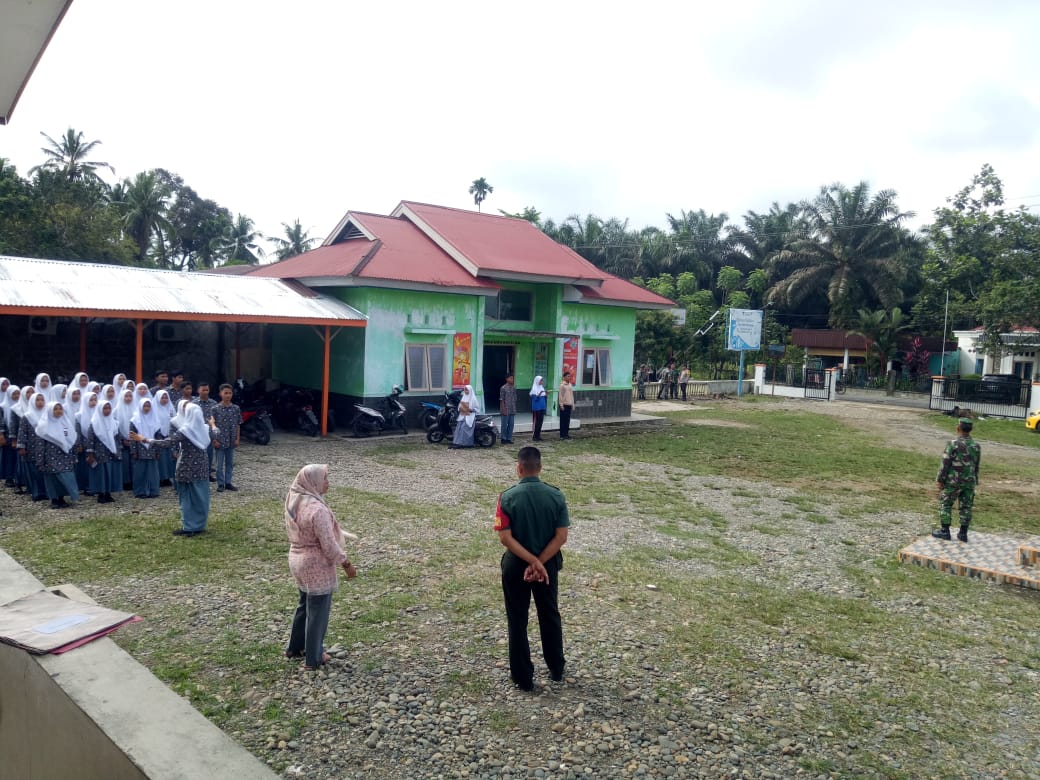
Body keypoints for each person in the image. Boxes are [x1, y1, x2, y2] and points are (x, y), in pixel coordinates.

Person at [493, 446, 570, 691]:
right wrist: (539, 562)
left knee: (517, 619)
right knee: (549, 614)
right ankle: (556, 668)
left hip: (516, 566)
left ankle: (523, 677)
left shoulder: (506, 497)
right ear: (540, 468)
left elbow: (505, 538)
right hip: (548, 566)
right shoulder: (556, 496)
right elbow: (561, 536)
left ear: (519, 468)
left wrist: (529, 561)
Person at [283, 464, 357, 671]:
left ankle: (294, 648)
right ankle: (314, 657)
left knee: (304, 605)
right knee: (318, 612)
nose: (328, 483)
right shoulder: (317, 510)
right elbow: (329, 545)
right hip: (315, 564)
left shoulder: (294, 498)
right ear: (313, 482)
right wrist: (346, 564)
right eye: (325, 478)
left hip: (296, 559)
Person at [129, 405, 219, 536]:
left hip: (186, 467)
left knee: (187, 497)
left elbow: (167, 443)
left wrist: (144, 439)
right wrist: (213, 424)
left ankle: (189, 526)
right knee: (201, 496)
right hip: (202, 466)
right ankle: (199, 524)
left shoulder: (186, 430)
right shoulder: (204, 429)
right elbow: (216, 433)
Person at [932, 417, 982, 543]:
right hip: (969, 482)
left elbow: (945, 463)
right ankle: (963, 533)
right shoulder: (976, 446)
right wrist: (975, 479)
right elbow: (976, 465)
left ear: (958, 428)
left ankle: (945, 531)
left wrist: (940, 480)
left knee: (946, 503)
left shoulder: (953, 444)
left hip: (953, 481)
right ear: (971, 430)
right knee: (966, 506)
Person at [36, 401, 80, 509]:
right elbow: (40, 445)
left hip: (65, 455)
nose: (58, 411)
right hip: (50, 457)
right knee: (52, 478)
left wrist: (74, 456)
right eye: (55, 409)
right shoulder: (43, 426)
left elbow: (71, 440)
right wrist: (40, 461)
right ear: (50, 411)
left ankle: (62, 498)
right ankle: (54, 500)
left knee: (65, 476)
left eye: (60, 408)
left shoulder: (66, 423)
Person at [85, 399, 122, 504]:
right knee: (100, 474)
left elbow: (117, 438)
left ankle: (108, 493)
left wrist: (118, 450)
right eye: (105, 408)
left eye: (109, 408)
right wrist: (90, 454)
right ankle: (101, 494)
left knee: (109, 473)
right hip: (99, 453)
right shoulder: (94, 423)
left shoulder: (114, 422)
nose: (107, 410)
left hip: (110, 453)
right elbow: (90, 439)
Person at [129, 397, 162, 499]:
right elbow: (132, 436)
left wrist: (158, 450)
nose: (147, 408)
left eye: (148, 406)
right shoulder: (134, 420)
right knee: (140, 471)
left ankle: (154, 490)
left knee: (153, 471)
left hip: (152, 448)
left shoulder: (155, 420)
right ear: (140, 407)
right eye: (145, 406)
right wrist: (134, 451)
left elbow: (158, 437)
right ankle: (140, 491)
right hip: (140, 449)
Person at [211, 383, 242, 491]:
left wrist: (237, 438)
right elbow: (212, 425)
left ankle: (228, 482)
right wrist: (214, 439)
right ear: (220, 394)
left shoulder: (236, 408)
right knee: (219, 464)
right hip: (220, 440)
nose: (228, 395)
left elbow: (238, 424)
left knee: (229, 463)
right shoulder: (215, 409)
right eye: (225, 393)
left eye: (230, 393)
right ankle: (220, 483)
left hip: (231, 439)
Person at [194, 382, 218, 482]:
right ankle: (198, 473)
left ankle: (207, 474)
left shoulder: (213, 403)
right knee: (198, 455)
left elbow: (217, 418)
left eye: (207, 390)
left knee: (209, 454)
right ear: (198, 390)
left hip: (209, 433)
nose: (205, 392)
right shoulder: (194, 403)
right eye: (203, 390)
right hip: (197, 433)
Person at [451, 384, 479, 449]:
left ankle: (466, 444)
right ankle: (457, 443)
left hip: (469, 416)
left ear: (470, 390)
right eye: (465, 390)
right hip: (462, 415)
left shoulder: (473, 399)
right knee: (459, 428)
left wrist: (471, 409)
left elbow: (477, 409)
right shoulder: (464, 397)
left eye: (467, 390)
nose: (466, 391)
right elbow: (459, 407)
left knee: (464, 428)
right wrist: (460, 408)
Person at [498, 373, 517, 445]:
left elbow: (515, 398)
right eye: (511, 378)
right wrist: (503, 409)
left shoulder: (513, 387)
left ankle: (509, 438)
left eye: (513, 378)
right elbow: (501, 399)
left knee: (511, 424)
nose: (512, 379)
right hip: (505, 408)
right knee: (504, 424)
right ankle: (503, 438)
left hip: (512, 408)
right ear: (507, 379)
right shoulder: (503, 388)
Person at [529, 376, 547, 441]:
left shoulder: (541, 388)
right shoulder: (534, 389)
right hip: (536, 408)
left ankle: (538, 435)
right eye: (541, 380)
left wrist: (546, 394)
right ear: (537, 381)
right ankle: (534, 436)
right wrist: (539, 395)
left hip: (542, 407)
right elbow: (534, 400)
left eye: (542, 380)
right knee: (536, 422)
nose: (542, 382)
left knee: (540, 422)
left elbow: (543, 397)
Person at [558, 371, 574, 440]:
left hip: (569, 404)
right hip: (564, 405)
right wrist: (561, 405)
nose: (569, 377)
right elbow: (560, 396)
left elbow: (571, 395)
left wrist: (573, 404)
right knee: (563, 420)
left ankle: (566, 434)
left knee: (567, 420)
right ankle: (562, 435)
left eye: (569, 376)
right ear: (564, 377)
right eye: (567, 376)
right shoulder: (562, 385)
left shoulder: (570, 385)